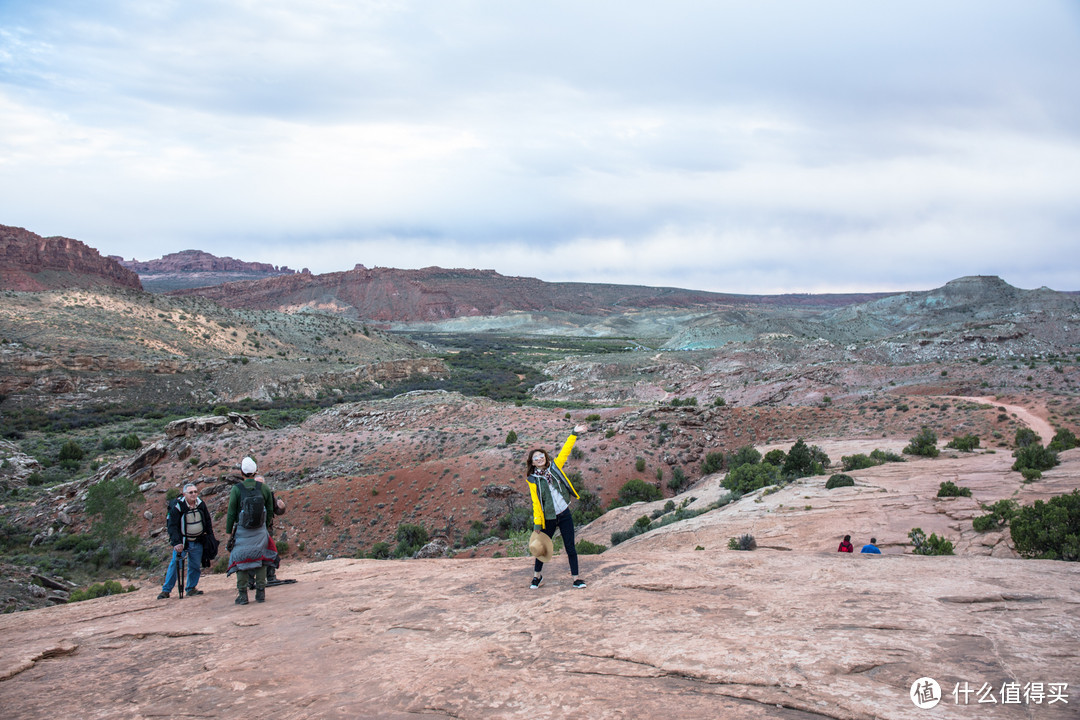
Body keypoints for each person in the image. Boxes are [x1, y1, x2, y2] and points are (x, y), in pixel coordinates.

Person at [526, 425, 588, 589]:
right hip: (549, 518)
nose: (539, 459)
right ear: (532, 462)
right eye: (536, 458)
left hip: (564, 513)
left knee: (570, 547)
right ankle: (536, 577)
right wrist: (537, 524)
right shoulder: (533, 480)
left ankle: (576, 579)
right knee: (542, 548)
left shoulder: (554, 466)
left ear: (545, 457)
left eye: (541, 456)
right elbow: (536, 503)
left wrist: (573, 433)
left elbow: (565, 451)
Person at [226, 457, 278, 605]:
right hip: (260, 530)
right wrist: (265, 525)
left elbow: (231, 513)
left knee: (241, 561)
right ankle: (260, 593)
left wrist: (229, 532)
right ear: (255, 472)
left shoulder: (237, 489)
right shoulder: (264, 488)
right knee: (260, 560)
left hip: (242, 530)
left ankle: (243, 595)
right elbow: (270, 509)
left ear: (242, 472)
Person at [158, 483, 214, 599]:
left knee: (195, 566)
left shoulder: (200, 504)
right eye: (191, 492)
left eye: (195, 492)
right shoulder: (178, 507)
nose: (194, 494)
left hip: (198, 541)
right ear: (184, 494)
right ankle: (166, 590)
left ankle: (191, 588)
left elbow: (207, 521)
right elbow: (172, 526)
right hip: (183, 542)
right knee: (175, 564)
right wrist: (176, 543)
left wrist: (210, 537)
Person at [253, 472, 287, 583]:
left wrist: (281, 507)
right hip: (252, 532)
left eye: (261, 484)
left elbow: (277, 511)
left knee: (270, 552)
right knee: (253, 554)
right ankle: (251, 579)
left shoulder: (269, 495)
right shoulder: (248, 497)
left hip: (267, 530)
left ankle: (271, 576)